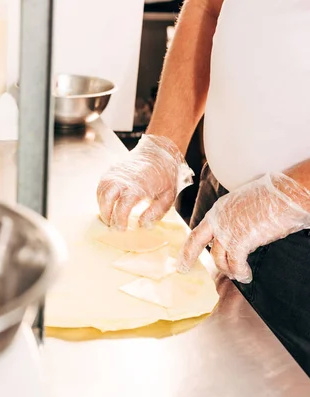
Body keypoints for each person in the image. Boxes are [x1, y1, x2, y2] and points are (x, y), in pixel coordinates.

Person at [97, 0, 310, 373]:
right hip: (218, 209)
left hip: (300, 251)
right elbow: (206, 8)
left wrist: (293, 195)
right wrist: (163, 142)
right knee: (198, 373)